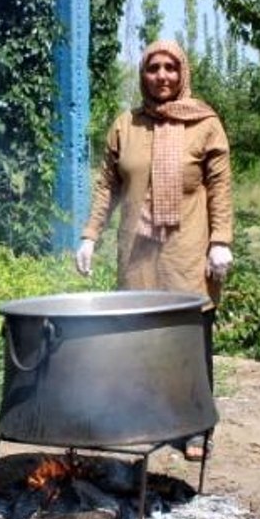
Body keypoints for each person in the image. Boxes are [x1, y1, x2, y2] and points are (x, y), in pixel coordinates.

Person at [74, 39, 234, 462]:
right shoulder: (127, 125)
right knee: (138, 340)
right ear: (142, 74)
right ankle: (143, 419)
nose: (162, 76)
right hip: (136, 253)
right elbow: (107, 186)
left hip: (187, 250)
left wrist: (221, 242)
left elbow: (219, 188)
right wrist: (90, 235)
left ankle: (196, 428)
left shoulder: (205, 124)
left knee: (188, 341)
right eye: (153, 68)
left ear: (183, 73)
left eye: (170, 68)